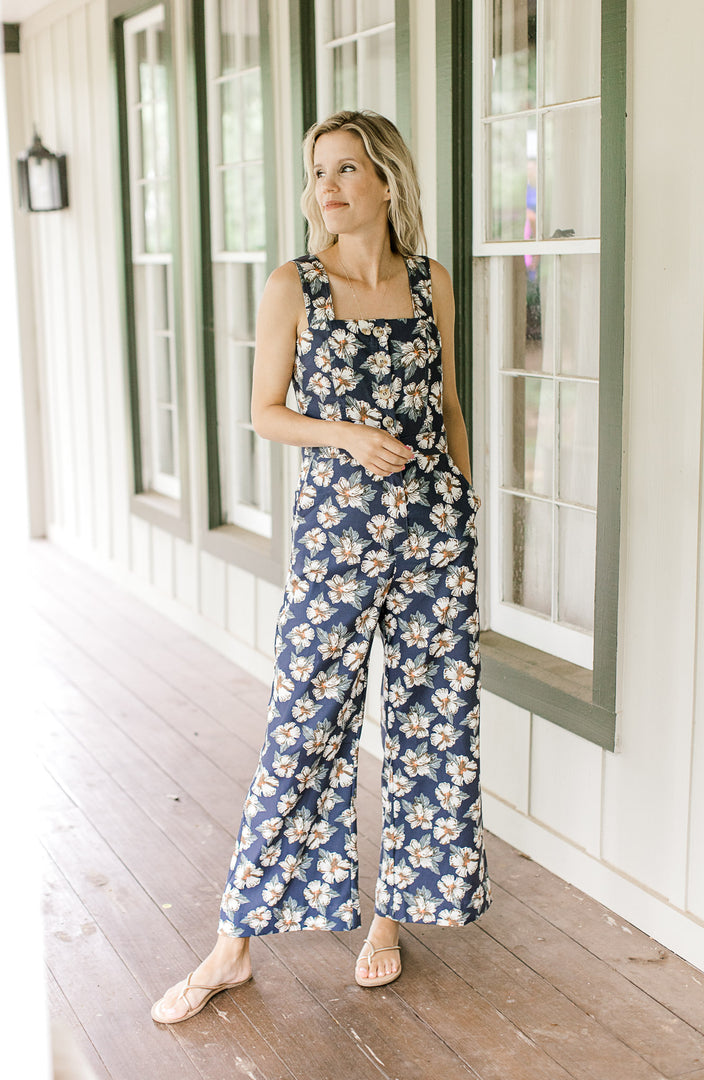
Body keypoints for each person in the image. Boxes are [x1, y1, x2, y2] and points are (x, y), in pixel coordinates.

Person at [151, 109, 491, 1025]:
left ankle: (393, 918)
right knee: (304, 726)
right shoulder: (293, 285)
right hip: (337, 541)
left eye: (346, 169)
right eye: (317, 173)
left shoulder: (432, 284)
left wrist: (464, 508)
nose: (328, 188)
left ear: (386, 180)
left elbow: (450, 402)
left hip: (434, 540)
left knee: (432, 731)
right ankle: (234, 943)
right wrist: (343, 433)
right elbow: (267, 412)